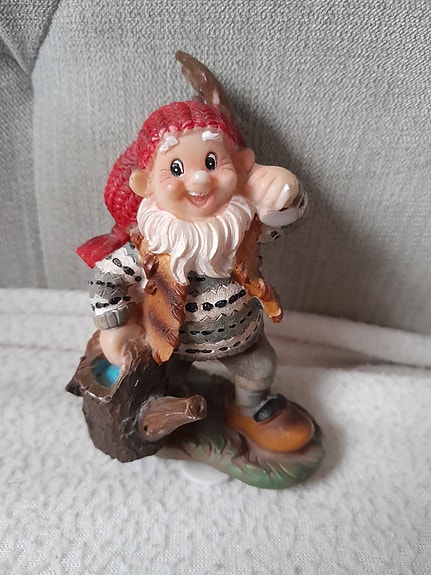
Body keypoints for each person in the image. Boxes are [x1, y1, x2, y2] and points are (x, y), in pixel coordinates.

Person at [78, 99, 310, 452]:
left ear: (241, 166)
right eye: (176, 169)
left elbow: (284, 223)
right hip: (171, 345)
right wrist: (114, 324)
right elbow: (106, 277)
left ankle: (250, 409)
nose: (200, 178)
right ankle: (173, 414)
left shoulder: (242, 226)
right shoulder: (150, 246)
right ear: (145, 184)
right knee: (167, 382)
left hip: (241, 337)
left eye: (212, 162)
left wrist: (282, 193)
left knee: (261, 368)